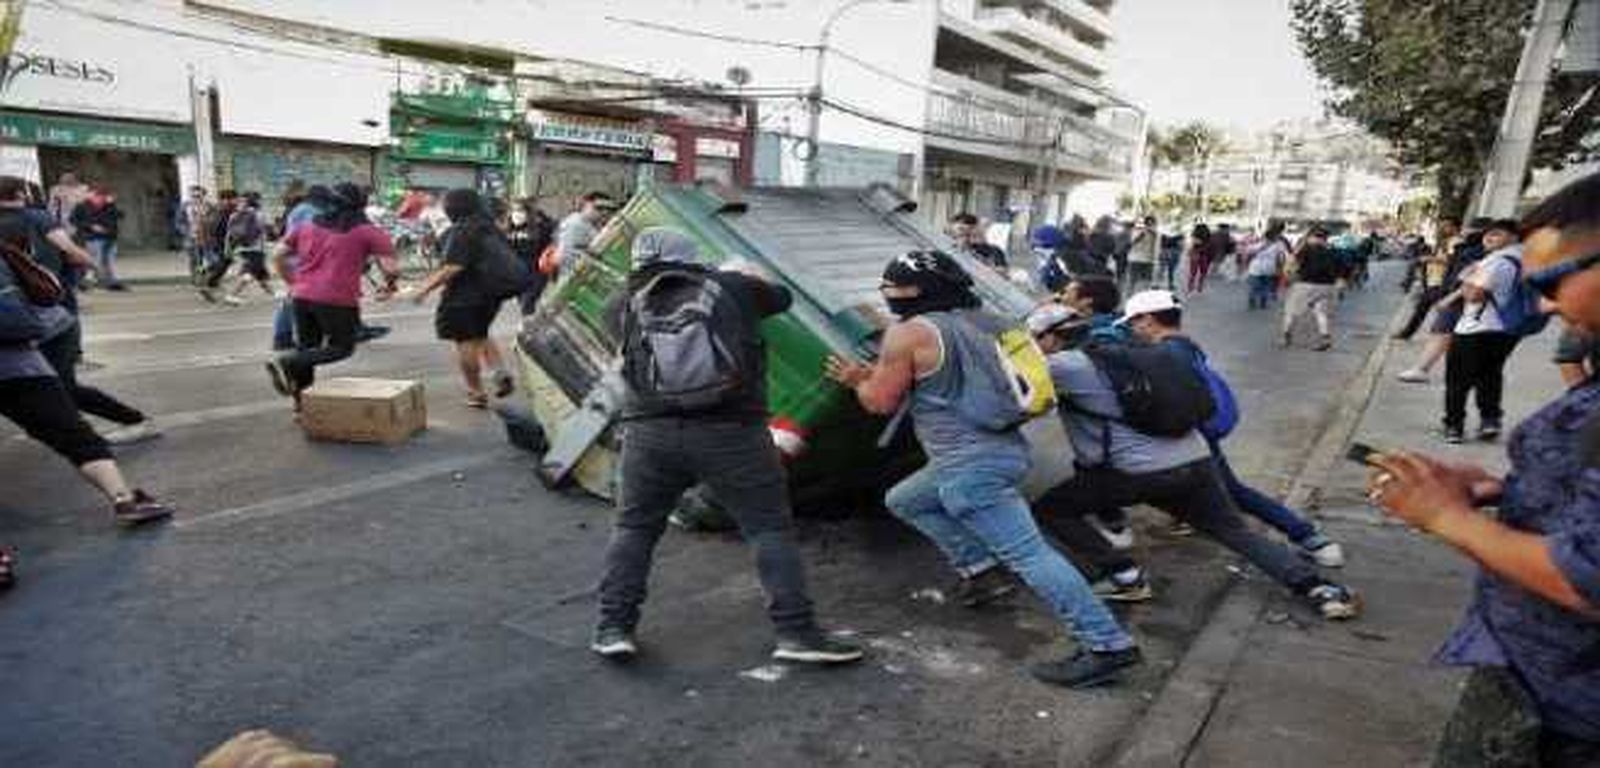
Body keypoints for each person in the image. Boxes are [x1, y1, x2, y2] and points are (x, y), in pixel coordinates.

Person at [1366, 171, 1600, 767]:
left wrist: (1445, 517)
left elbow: (1586, 580)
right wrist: (1505, 490)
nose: (1545, 305)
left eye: (1552, 282)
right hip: (1532, 678)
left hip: (1569, 715)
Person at [824, 250, 1141, 688]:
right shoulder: (991, 321)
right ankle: (979, 570)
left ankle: (1107, 644)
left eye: (891, 288)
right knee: (906, 499)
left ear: (915, 292)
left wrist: (858, 379)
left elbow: (880, 402)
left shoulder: (908, 334)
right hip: (1005, 450)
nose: (888, 295)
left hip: (969, 470)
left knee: (1031, 556)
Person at [593, 226, 863, 665]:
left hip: (650, 434)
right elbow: (782, 298)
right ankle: (796, 633)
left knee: (635, 529)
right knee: (768, 528)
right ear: (690, 255)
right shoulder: (731, 288)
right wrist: (735, 277)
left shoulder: (616, 304)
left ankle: (612, 628)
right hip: (732, 433)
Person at [1025, 303, 1361, 617]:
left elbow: (1009, 395)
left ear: (1051, 338)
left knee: (1051, 509)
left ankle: (1124, 577)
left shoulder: (1062, 365)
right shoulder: (1144, 350)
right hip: (1196, 458)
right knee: (1232, 531)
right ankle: (1320, 588)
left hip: (1135, 471)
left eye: (1036, 340)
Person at [1121, 289, 1346, 567]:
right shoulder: (1184, 345)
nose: (1132, 330)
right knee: (1220, 490)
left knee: (1233, 494)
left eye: (1132, 323)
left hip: (1193, 438)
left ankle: (1307, 538)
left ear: (1148, 320)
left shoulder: (1167, 353)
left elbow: (1175, 401)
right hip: (1200, 435)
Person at [0, 238, 174, 545]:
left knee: (72, 427)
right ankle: (124, 499)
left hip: (19, 360)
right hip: (19, 362)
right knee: (73, 434)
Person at [1, 176, 159, 446]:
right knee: (43, 384)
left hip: (40, 319)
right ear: (21, 194)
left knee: (59, 386)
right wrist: (89, 270)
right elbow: (72, 251)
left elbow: (69, 248)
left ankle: (130, 422)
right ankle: (70, 431)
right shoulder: (38, 218)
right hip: (45, 314)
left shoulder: (32, 218)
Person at [264, 183, 399, 404]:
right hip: (337, 299)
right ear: (362, 204)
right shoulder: (369, 231)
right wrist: (390, 285)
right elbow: (391, 269)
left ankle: (301, 405)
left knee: (307, 350)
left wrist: (292, 281)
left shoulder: (307, 226)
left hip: (301, 296)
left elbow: (278, 255)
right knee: (342, 348)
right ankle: (287, 362)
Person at [410, 188, 516, 409]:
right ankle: (500, 372)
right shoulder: (491, 228)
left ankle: (476, 391)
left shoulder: (462, 230)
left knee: (465, 341)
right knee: (480, 332)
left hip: (464, 296)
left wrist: (424, 289)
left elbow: (453, 267)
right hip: (490, 295)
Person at [1440, 219, 1525, 444]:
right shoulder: (1527, 257)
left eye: (1496, 234)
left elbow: (1474, 295)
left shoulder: (1496, 261)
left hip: (1476, 328)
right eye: (1488, 234)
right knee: (1490, 375)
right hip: (1508, 329)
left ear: (1513, 237)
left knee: (1458, 379)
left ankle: (1454, 425)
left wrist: (1468, 278)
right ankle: (1490, 421)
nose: (1489, 238)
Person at [1398, 218, 1488, 383]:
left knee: (1442, 331)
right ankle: (1424, 367)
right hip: (1450, 291)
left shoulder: (1474, 250)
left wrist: (1449, 297)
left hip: (1458, 296)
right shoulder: (1466, 247)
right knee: (1444, 332)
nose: (1466, 231)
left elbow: (1469, 278)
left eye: (1470, 228)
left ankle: (1421, 368)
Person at [1281, 226, 1343, 350]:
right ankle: (1325, 337)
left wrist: (1288, 277)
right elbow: (1340, 271)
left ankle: (1286, 336)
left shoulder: (1306, 249)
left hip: (1306, 285)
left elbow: (1291, 262)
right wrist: (1340, 287)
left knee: (1291, 311)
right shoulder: (1333, 251)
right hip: (1327, 286)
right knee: (1321, 313)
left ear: (1312, 237)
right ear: (1325, 238)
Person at [217, 192, 275, 306]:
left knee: (260, 273)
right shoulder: (259, 214)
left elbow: (229, 234)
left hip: (242, 248)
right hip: (256, 249)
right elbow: (266, 230)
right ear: (257, 201)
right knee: (248, 275)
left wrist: (228, 249)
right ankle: (232, 295)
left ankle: (272, 293)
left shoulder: (235, 215)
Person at [1395, 229, 1452, 342]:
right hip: (1434, 281)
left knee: (1432, 309)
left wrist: (1429, 259)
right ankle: (1406, 333)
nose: (1441, 229)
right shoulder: (1442, 243)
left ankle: (1407, 333)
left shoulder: (1454, 243)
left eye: (1445, 226)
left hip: (1440, 283)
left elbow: (1451, 260)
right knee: (1423, 308)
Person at [70, 185, 126, 291]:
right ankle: (87, 282)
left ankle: (112, 281)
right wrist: (90, 226)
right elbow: (73, 220)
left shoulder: (109, 205)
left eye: (102, 196)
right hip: (93, 237)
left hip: (110, 236)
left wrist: (112, 204)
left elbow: (120, 215)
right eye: (97, 195)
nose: (100, 198)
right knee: (94, 259)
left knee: (110, 260)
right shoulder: (82, 206)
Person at [507, 198, 554, 316]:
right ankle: (528, 325)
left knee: (528, 302)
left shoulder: (540, 226)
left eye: (520, 210)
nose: (516, 213)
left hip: (536, 271)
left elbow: (553, 232)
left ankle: (527, 328)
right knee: (524, 303)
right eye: (514, 210)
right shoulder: (508, 227)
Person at [554, 191, 618, 278]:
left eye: (609, 210)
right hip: (576, 277)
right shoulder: (576, 223)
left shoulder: (586, 223)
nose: (604, 212)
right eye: (599, 208)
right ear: (585, 204)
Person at [1244, 223, 1289, 310]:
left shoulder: (1260, 243)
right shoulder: (1279, 245)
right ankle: (1262, 302)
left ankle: (1253, 301)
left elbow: (1248, 251)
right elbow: (1284, 256)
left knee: (1255, 286)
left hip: (1256, 269)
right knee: (1265, 286)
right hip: (1268, 269)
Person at [1126, 216, 1159, 290]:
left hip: (1149, 261)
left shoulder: (1156, 234)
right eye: (1150, 224)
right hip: (1136, 260)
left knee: (1146, 283)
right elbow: (1131, 242)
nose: (1152, 226)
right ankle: (1129, 297)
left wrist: (1155, 261)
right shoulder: (1139, 231)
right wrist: (1142, 234)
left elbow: (1156, 249)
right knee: (1132, 282)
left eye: (1154, 224)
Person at [1186, 223, 1215, 294]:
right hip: (1205, 255)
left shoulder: (1195, 235)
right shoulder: (1209, 236)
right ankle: (1200, 287)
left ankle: (1190, 288)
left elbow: (1192, 244)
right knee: (1203, 273)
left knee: (1193, 272)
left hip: (1196, 253)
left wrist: (1189, 251)